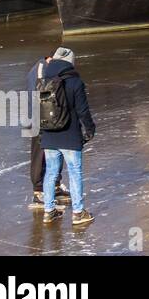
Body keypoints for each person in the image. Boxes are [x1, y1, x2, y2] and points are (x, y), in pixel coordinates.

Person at [38, 47, 96, 227]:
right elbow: (82, 111)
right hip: (70, 136)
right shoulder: (75, 82)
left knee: (51, 173)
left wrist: (41, 133)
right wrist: (90, 129)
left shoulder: (43, 81)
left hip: (48, 135)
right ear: (71, 63)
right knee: (74, 172)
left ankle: (49, 211)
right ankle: (78, 213)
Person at [27, 53, 69, 211]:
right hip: (38, 117)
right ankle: (38, 191)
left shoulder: (44, 68)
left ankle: (55, 185)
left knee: (53, 151)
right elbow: (44, 91)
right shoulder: (41, 70)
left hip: (44, 116)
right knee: (40, 154)